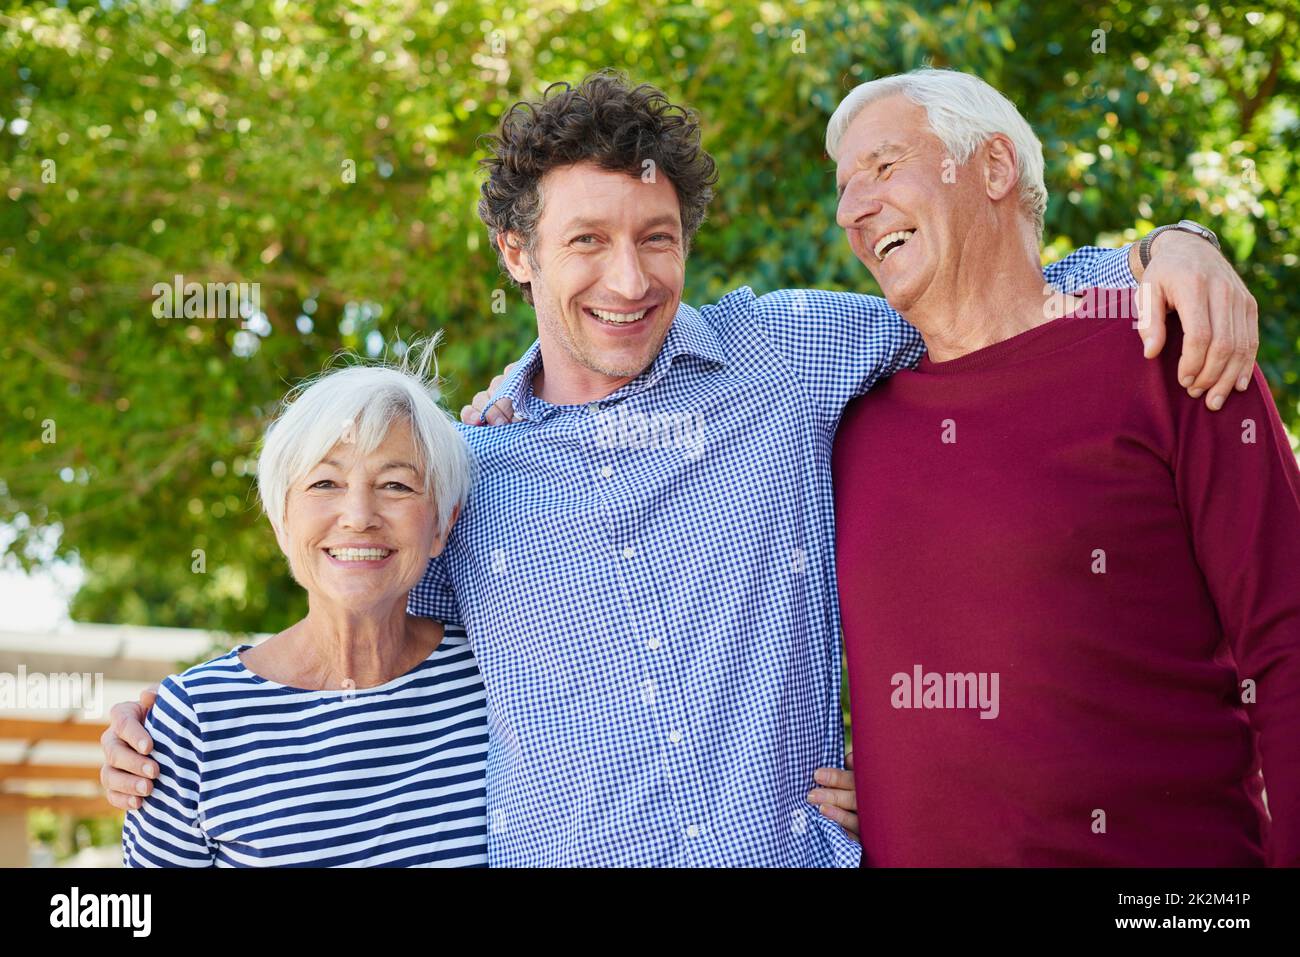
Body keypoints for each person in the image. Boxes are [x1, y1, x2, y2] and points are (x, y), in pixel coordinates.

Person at [104, 71, 1256, 866]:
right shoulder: (470, 472)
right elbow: (357, 622)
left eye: (656, 238)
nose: (629, 278)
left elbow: (984, 296)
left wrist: (1168, 250)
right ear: (517, 254)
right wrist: (180, 724)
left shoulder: (787, 357)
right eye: (586, 242)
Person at [827, 67, 1299, 866]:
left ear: (995, 168)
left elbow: (1286, 643)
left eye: (883, 167)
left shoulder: (1170, 354)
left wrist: (1178, 239)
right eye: (842, 189)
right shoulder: (848, 425)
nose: (852, 209)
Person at [122, 340, 488, 866]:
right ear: (281, 522)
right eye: (324, 482)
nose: (358, 515)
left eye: (396, 485)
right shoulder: (195, 719)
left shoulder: (493, 674)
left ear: (442, 525)